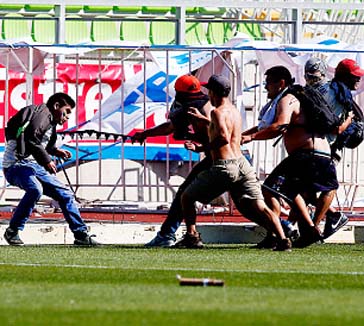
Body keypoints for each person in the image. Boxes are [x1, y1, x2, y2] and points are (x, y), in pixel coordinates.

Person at [174, 75, 291, 250]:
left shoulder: (216, 112)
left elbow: (222, 137)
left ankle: (192, 236)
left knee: (187, 196)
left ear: (213, 92)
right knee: (258, 206)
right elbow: (225, 128)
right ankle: (282, 238)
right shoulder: (233, 110)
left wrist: (200, 148)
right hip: (242, 164)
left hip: (225, 166)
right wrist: (204, 120)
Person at [243, 66, 339, 248]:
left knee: (271, 189)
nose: (265, 88)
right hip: (321, 153)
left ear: (281, 83)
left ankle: (283, 229)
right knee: (292, 191)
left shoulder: (288, 99)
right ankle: (308, 229)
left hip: (307, 154)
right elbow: (265, 126)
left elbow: (279, 126)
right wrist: (244, 135)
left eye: (268, 83)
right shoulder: (295, 98)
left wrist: (250, 137)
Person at [3, 93, 99, 246]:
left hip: (32, 166)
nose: (67, 117)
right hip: (16, 165)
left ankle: (81, 235)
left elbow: (41, 142)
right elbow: (31, 138)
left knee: (65, 194)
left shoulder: (49, 122)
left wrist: (55, 151)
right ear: (56, 106)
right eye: (66, 111)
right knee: (35, 189)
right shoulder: (43, 114)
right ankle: (13, 230)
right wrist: (47, 160)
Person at [134, 74, 214, 247]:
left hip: (219, 160)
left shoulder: (194, 108)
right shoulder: (205, 103)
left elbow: (171, 127)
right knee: (247, 202)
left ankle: (168, 235)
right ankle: (282, 229)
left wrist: (202, 146)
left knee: (185, 195)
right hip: (227, 158)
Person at [304, 57, 364, 239]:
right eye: (355, 76)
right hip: (325, 146)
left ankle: (314, 225)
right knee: (311, 189)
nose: (358, 79)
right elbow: (339, 124)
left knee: (315, 188)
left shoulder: (315, 91)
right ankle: (325, 219)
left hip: (324, 146)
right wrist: (348, 122)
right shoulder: (337, 91)